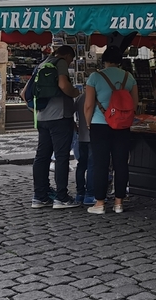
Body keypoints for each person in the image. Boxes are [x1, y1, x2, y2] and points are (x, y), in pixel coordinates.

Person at [85, 47, 138, 215]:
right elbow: (134, 104)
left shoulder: (95, 77)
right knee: (121, 163)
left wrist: (88, 123)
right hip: (122, 126)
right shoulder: (129, 78)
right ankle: (119, 203)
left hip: (100, 124)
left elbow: (88, 105)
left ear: (105, 61)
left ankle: (100, 203)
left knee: (100, 164)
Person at [30, 46, 81, 208]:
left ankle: (40, 196)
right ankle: (62, 197)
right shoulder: (60, 62)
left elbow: (25, 93)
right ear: (67, 56)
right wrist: (76, 92)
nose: (70, 63)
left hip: (42, 117)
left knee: (42, 156)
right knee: (61, 156)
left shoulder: (42, 64)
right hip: (60, 116)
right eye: (70, 60)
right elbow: (64, 85)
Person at [73, 89, 94, 205]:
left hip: (81, 137)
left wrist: (75, 128)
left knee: (81, 165)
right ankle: (90, 194)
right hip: (92, 137)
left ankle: (80, 193)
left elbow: (71, 110)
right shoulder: (96, 97)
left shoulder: (81, 97)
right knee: (92, 165)